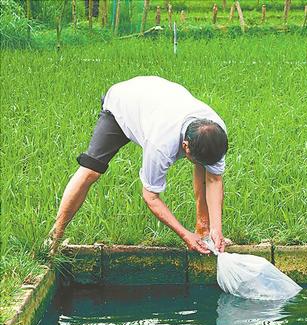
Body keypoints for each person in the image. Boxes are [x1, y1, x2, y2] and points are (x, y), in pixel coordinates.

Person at [48, 76, 228, 255]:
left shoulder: (215, 131)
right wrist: (185, 235)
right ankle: (53, 238)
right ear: (185, 147)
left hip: (155, 102)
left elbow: (213, 179)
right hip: (123, 103)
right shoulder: (161, 144)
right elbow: (151, 197)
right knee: (91, 170)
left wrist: (216, 229)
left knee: (205, 166)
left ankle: (204, 232)